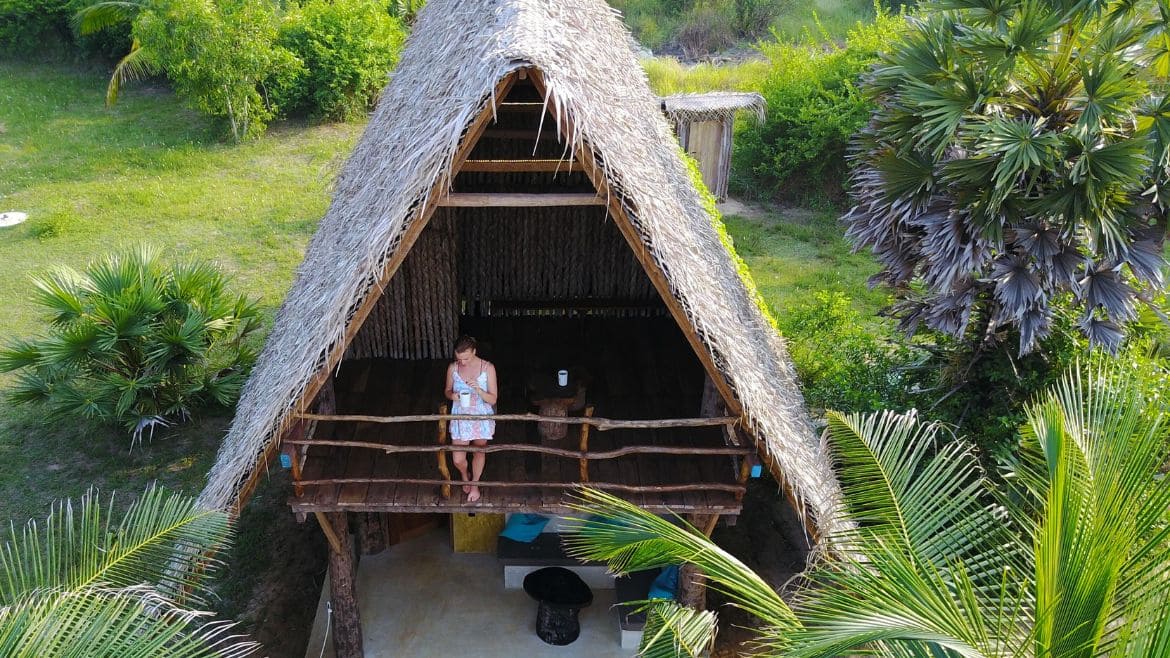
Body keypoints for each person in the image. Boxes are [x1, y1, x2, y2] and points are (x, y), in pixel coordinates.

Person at [444, 335, 498, 502]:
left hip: (481, 416)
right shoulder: (453, 368)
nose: (463, 362)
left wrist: (479, 391)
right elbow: (446, 390)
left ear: (474, 351)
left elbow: (493, 399)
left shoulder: (487, 368)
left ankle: (474, 484)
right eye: (459, 358)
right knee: (458, 459)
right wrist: (453, 396)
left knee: (479, 451)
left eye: (466, 358)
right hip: (460, 417)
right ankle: (464, 475)